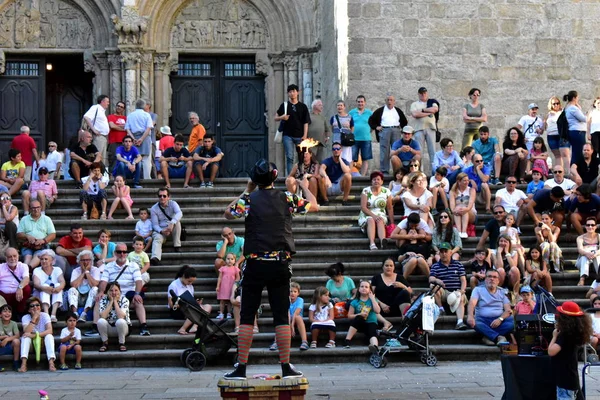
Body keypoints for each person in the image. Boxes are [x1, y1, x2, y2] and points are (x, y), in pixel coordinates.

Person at [223, 158, 317, 380]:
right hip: (279, 264)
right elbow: (313, 204)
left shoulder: (249, 199)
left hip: (255, 263)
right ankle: (285, 366)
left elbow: (227, 213)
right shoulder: (286, 197)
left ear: (255, 180)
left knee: (246, 316)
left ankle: (241, 367)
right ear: (275, 177)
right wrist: (304, 186)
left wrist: (247, 190)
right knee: (281, 317)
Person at [98, 242, 149, 336]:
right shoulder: (109, 266)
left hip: (129, 294)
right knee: (99, 298)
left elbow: (138, 281)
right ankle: (96, 326)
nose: (122, 254)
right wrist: (101, 292)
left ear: (127, 253)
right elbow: (104, 281)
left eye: (124, 252)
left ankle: (143, 326)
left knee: (138, 300)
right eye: (119, 251)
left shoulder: (134, 265)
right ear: (115, 253)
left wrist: (137, 293)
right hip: (113, 294)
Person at [549, 301, 592, 400]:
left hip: (565, 380)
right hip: (571, 377)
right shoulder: (576, 333)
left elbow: (551, 351)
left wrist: (554, 336)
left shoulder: (564, 335)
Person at [466, 269, 514, 346]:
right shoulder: (478, 290)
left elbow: (508, 310)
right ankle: (499, 337)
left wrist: (500, 319)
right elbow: (472, 303)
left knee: (512, 323)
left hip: (499, 321)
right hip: (483, 320)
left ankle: (487, 336)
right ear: (485, 279)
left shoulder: (502, 291)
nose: (492, 279)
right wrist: (470, 316)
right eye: (489, 276)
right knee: (476, 323)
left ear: (498, 280)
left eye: (495, 277)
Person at [430, 242, 468, 330]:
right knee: (432, 285)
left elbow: (463, 280)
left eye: (446, 251)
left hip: (456, 291)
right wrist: (436, 280)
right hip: (444, 291)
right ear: (439, 253)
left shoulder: (458, 264)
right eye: (442, 252)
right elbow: (431, 278)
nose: (444, 254)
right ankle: (441, 309)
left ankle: (460, 322)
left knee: (461, 297)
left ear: (450, 252)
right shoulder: (435, 266)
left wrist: (462, 290)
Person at [275, 84, 311, 175]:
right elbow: (275, 117)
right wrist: (282, 117)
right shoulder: (284, 105)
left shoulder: (303, 106)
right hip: (287, 135)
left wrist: (305, 135)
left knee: (301, 156)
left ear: (297, 92)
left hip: (300, 135)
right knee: (289, 157)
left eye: (294, 91)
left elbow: (306, 122)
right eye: (290, 92)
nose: (292, 93)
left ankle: (301, 173)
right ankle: (290, 176)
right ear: (288, 93)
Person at [368, 94, 408, 173]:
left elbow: (404, 121)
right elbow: (371, 120)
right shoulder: (380, 110)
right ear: (385, 101)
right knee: (384, 152)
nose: (389, 102)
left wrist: (403, 130)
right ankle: (384, 171)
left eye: (391, 100)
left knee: (397, 150)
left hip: (396, 130)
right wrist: (376, 127)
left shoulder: (398, 111)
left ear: (394, 102)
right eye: (388, 100)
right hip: (384, 130)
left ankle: (398, 171)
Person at [167, 265, 211, 335]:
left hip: (189, 308)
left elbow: (191, 299)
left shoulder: (190, 286)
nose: (190, 283)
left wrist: (196, 302)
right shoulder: (173, 285)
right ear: (184, 276)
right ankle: (183, 328)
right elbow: (171, 305)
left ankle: (195, 326)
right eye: (189, 281)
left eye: (192, 282)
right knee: (197, 309)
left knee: (208, 306)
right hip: (178, 310)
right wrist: (183, 304)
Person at [18, 296, 56, 372]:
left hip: (43, 344)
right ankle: (23, 364)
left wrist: (36, 335)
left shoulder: (45, 315)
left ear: (40, 307)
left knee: (49, 336)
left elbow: (50, 330)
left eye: (37, 305)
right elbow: (26, 332)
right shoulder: (25, 317)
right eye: (32, 306)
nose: (35, 307)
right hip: (31, 345)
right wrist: (34, 319)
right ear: (29, 310)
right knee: (25, 337)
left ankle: (51, 363)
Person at [358, 171, 393, 250]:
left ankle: (382, 242)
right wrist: (373, 216)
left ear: (382, 181)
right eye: (374, 179)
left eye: (378, 179)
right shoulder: (366, 191)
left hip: (380, 213)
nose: (376, 181)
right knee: (370, 220)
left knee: (380, 220)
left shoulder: (386, 191)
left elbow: (390, 208)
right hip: (367, 213)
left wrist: (392, 222)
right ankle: (372, 243)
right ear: (371, 181)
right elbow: (363, 207)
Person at [343, 280, 381, 352]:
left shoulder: (373, 300)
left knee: (372, 332)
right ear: (359, 289)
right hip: (359, 324)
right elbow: (349, 316)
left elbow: (377, 311)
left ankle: (375, 347)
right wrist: (359, 314)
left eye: (366, 287)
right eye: (362, 286)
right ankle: (347, 340)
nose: (364, 288)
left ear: (370, 290)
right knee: (359, 318)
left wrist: (372, 299)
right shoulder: (354, 301)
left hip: (371, 322)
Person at [16, 199, 56, 268]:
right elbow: (18, 234)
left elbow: (53, 234)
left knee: (38, 255)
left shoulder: (47, 219)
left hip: (42, 245)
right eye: (33, 208)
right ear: (29, 209)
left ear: (41, 208)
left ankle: (28, 269)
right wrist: (27, 236)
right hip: (28, 244)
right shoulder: (24, 219)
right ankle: (26, 270)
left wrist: (43, 240)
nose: (36, 209)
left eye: (38, 207)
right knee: (28, 256)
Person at [150, 187, 183, 265]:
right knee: (157, 238)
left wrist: (172, 222)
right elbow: (155, 225)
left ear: (169, 197)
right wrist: (162, 231)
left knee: (177, 223)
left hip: (172, 227)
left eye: (164, 196)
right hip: (161, 229)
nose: (162, 198)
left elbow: (179, 213)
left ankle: (177, 245)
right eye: (160, 196)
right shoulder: (154, 208)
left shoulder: (173, 203)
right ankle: (155, 257)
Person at [394, 213, 432, 279]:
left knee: (419, 259)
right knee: (413, 259)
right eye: (410, 232)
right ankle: (403, 279)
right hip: (408, 265)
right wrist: (406, 254)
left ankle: (430, 279)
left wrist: (429, 258)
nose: (413, 231)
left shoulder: (423, 245)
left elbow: (430, 254)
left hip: (421, 267)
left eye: (414, 231)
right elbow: (399, 259)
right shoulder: (404, 245)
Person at [410, 87, 439, 175]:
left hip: (430, 128)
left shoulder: (432, 102)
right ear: (418, 94)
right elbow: (415, 114)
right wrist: (428, 113)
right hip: (418, 129)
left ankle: (434, 172)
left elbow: (435, 109)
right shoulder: (414, 104)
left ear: (427, 93)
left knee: (432, 151)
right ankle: (420, 172)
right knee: (419, 152)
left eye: (424, 93)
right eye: (421, 93)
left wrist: (422, 110)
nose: (423, 94)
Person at [32, 249, 65, 323]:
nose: (43, 261)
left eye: (46, 259)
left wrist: (59, 287)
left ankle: (53, 314)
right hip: (40, 293)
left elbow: (62, 281)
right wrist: (45, 288)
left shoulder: (57, 269)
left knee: (58, 285)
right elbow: (36, 284)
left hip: (54, 293)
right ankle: (46, 315)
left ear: (52, 261)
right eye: (42, 259)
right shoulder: (37, 270)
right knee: (44, 286)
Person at [97, 282, 131, 352]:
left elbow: (121, 316)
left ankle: (122, 343)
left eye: (116, 290)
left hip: (123, 329)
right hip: (109, 328)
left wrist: (115, 301)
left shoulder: (124, 300)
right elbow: (103, 316)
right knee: (100, 321)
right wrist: (111, 302)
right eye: (111, 290)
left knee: (120, 321)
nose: (114, 293)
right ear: (107, 292)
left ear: (120, 291)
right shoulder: (103, 300)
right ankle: (105, 343)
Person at [125, 99, 153, 180]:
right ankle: (147, 178)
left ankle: (134, 177)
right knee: (146, 160)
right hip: (145, 138)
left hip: (133, 138)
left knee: (134, 158)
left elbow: (127, 129)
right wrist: (141, 139)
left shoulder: (130, 115)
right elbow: (148, 128)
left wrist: (133, 139)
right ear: (144, 106)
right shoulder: (147, 115)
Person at [68, 250, 99, 323]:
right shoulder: (76, 271)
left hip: (90, 297)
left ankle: (84, 314)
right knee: (71, 290)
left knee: (95, 289)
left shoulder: (95, 270)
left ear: (91, 261)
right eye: (83, 260)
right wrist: (83, 273)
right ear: (79, 261)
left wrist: (87, 272)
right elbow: (74, 285)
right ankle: (75, 313)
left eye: (88, 260)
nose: (85, 262)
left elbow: (94, 284)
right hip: (78, 297)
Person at [0, 248, 30, 318]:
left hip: (17, 296)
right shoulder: (1, 267)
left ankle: (20, 313)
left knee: (27, 288)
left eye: (14, 256)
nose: (12, 258)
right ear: (6, 258)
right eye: (10, 256)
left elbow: (26, 279)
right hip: (3, 296)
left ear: (18, 256)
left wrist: (20, 288)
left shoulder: (23, 266)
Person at [349, 95, 374, 175]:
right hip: (354, 139)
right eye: (359, 102)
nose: (360, 103)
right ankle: (350, 176)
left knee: (365, 159)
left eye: (362, 102)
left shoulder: (369, 113)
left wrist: (367, 131)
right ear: (356, 102)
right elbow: (347, 123)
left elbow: (373, 125)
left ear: (365, 103)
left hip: (366, 139)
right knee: (352, 158)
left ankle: (362, 177)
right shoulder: (352, 112)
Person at [83, 95, 110, 166]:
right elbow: (86, 117)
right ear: (102, 101)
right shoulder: (96, 107)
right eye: (107, 101)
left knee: (102, 158)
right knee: (97, 157)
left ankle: (100, 174)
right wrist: (94, 130)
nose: (108, 103)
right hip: (98, 137)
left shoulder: (102, 111)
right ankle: (94, 173)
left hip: (103, 137)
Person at [449, 172, 476, 238]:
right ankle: (459, 231)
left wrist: (464, 209)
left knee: (464, 208)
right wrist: (456, 210)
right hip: (456, 213)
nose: (467, 182)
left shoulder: (471, 190)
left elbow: (470, 206)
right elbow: (452, 207)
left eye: (467, 180)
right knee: (457, 209)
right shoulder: (453, 191)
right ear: (459, 181)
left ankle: (464, 231)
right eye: (464, 180)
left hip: (470, 213)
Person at [564, 90, 587, 166]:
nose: (578, 99)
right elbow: (583, 119)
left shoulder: (568, 107)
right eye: (577, 97)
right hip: (578, 132)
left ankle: (574, 169)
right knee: (579, 152)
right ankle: (576, 170)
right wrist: (588, 115)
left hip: (574, 131)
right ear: (574, 98)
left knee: (575, 152)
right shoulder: (573, 108)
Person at [576, 217, 600, 287]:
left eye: (592, 225)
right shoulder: (580, 238)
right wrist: (587, 253)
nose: (590, 227)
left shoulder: (599, 236)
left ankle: (599, 278)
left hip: (596, 260)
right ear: (585, 226)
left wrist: (594, 254)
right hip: (582, 262)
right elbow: (580, 250)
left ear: (596, 226)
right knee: (584, 257)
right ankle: (582, 279)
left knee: (597, 256)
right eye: (588, 225)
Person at [216, 253, 240, 320]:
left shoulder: (235, 269)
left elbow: (238, 278)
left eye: (232, 259)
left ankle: (229, 313)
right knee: (222, 301)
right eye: (228, 259)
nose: (230, 260)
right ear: (225, 260)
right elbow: (220, 278)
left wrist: (236, 285)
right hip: (223, 287)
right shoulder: (222, 268)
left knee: (230, 301)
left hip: (231, 287)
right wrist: (218, 286)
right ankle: (221, 313)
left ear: (234, 261)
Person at [107, 100, 127, 171]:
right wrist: (123, 128)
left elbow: (128, 127)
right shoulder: (110, 116)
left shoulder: (126, 118)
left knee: (124, 158)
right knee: (113, 158)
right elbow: (112, 126)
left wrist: (117, 126)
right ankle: (112, 176)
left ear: (124, 109)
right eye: (118, 106)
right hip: (114, 141)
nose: (119, 108)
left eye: (121, 107)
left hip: (124, 142)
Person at [288, 282, 309, 351]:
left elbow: (296, 314)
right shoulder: (286, 300)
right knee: (281, 319)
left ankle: (304, 341)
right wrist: (290, 325)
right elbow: (287, 313)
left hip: (296, 318)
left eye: (295, 291)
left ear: (298, 293)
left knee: (298, 317)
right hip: (288, 318)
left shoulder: (300, 300)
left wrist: (292, 326)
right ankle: (277, 341)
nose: (292, 293)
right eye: (291, 291)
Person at [0, 304, 21, 371]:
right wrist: (3, 337)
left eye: (9, 312)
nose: (7, 313)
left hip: (10, 347)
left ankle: (16, 363)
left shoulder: (13, 323)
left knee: (16, 341)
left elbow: (17, 335)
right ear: (0, 314)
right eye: (5, 311)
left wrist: (7, 339)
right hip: (0, 346)